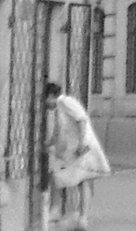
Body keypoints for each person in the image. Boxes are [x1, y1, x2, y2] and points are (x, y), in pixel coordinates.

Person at [44, 81, 110, 231]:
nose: (44, 104)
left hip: (82, 146)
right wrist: (49, 142)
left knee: (77, 178)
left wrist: (81, 142)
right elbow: (58, 129)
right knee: (77, 179)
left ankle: (71, 214)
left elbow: (81, 119)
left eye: (45, 99)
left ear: (51, 96)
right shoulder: (59, 108)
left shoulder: (66, 102)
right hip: (76, 147)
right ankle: (79, 217)